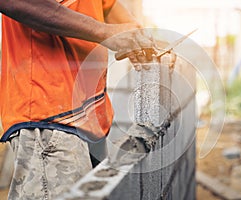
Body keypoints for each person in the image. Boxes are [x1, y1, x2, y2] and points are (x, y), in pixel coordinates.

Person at [0, 0, 154, 199]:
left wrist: (138, 37)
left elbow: (105, 5)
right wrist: (105, 32)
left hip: (87, 114)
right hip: (48, 113)